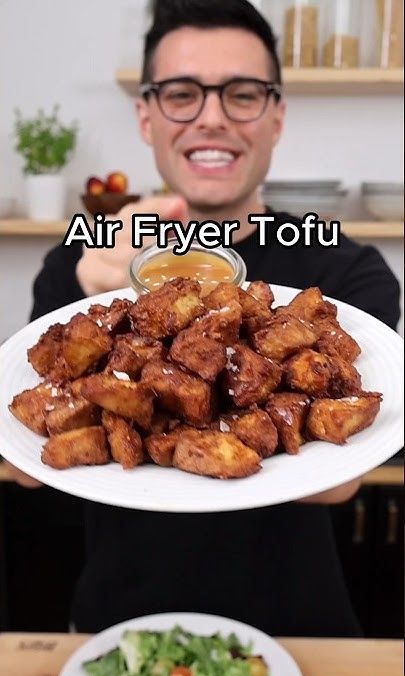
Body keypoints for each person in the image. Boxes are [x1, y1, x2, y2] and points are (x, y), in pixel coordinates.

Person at [9, 0, 400, 635]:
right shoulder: (81, 258)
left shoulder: (344, 268)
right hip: (120, 625)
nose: (212, 118)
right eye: (182, 94)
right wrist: (86, 290)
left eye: (243, 95)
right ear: (145, 116)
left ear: (276, 117)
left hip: (301, 630)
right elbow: (32, 461)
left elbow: (340, 484)